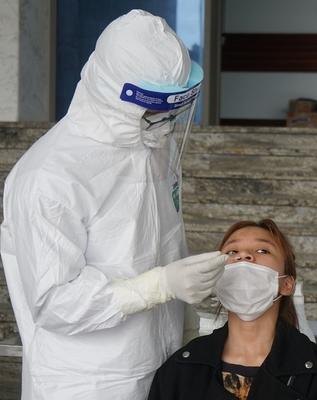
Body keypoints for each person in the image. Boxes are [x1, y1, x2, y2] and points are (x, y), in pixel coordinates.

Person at [0, 10, 227, 400]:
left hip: (161, 364)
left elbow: (167, 240)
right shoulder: (51, 176)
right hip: (87, 382)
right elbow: (54, 302)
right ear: (116, 96)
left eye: (172, 109)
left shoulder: (154, 144)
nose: (166, 120)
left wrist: (189, 328)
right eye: (155, 109)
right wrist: (160, 285)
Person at [148, 219, 317, 400]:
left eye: (262, 250)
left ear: (287, 284)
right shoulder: (182, 367)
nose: (244, 255)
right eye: (232, 251)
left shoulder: (316, 369)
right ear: (216, 279)